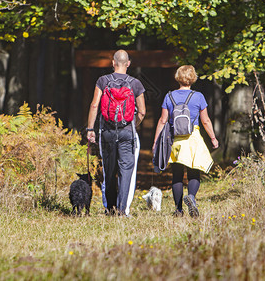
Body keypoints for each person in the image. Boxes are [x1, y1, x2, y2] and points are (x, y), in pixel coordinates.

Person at [152, 65, 218, 217]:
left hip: (175, 140)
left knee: (177, 174)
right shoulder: (198, 96)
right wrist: (213, 138)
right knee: (194, 172)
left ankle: (178, 210)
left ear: (178, 77)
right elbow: (206, 120)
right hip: (192, 138)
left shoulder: (169, 96)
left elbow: (162, 121)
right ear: (193, 78)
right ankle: (192, 197)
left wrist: (156, 142)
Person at [87, 50, 146, 216]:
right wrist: (131, 124)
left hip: (107, 132)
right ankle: (122, 210)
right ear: (128, 63)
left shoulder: (103, 81)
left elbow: (94, 105)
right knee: (126, 170)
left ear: (113, 63)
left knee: (109, 170)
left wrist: (91, 129)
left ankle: (110, 209)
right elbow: (142, 112)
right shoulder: (136, 83)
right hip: (127, 132)